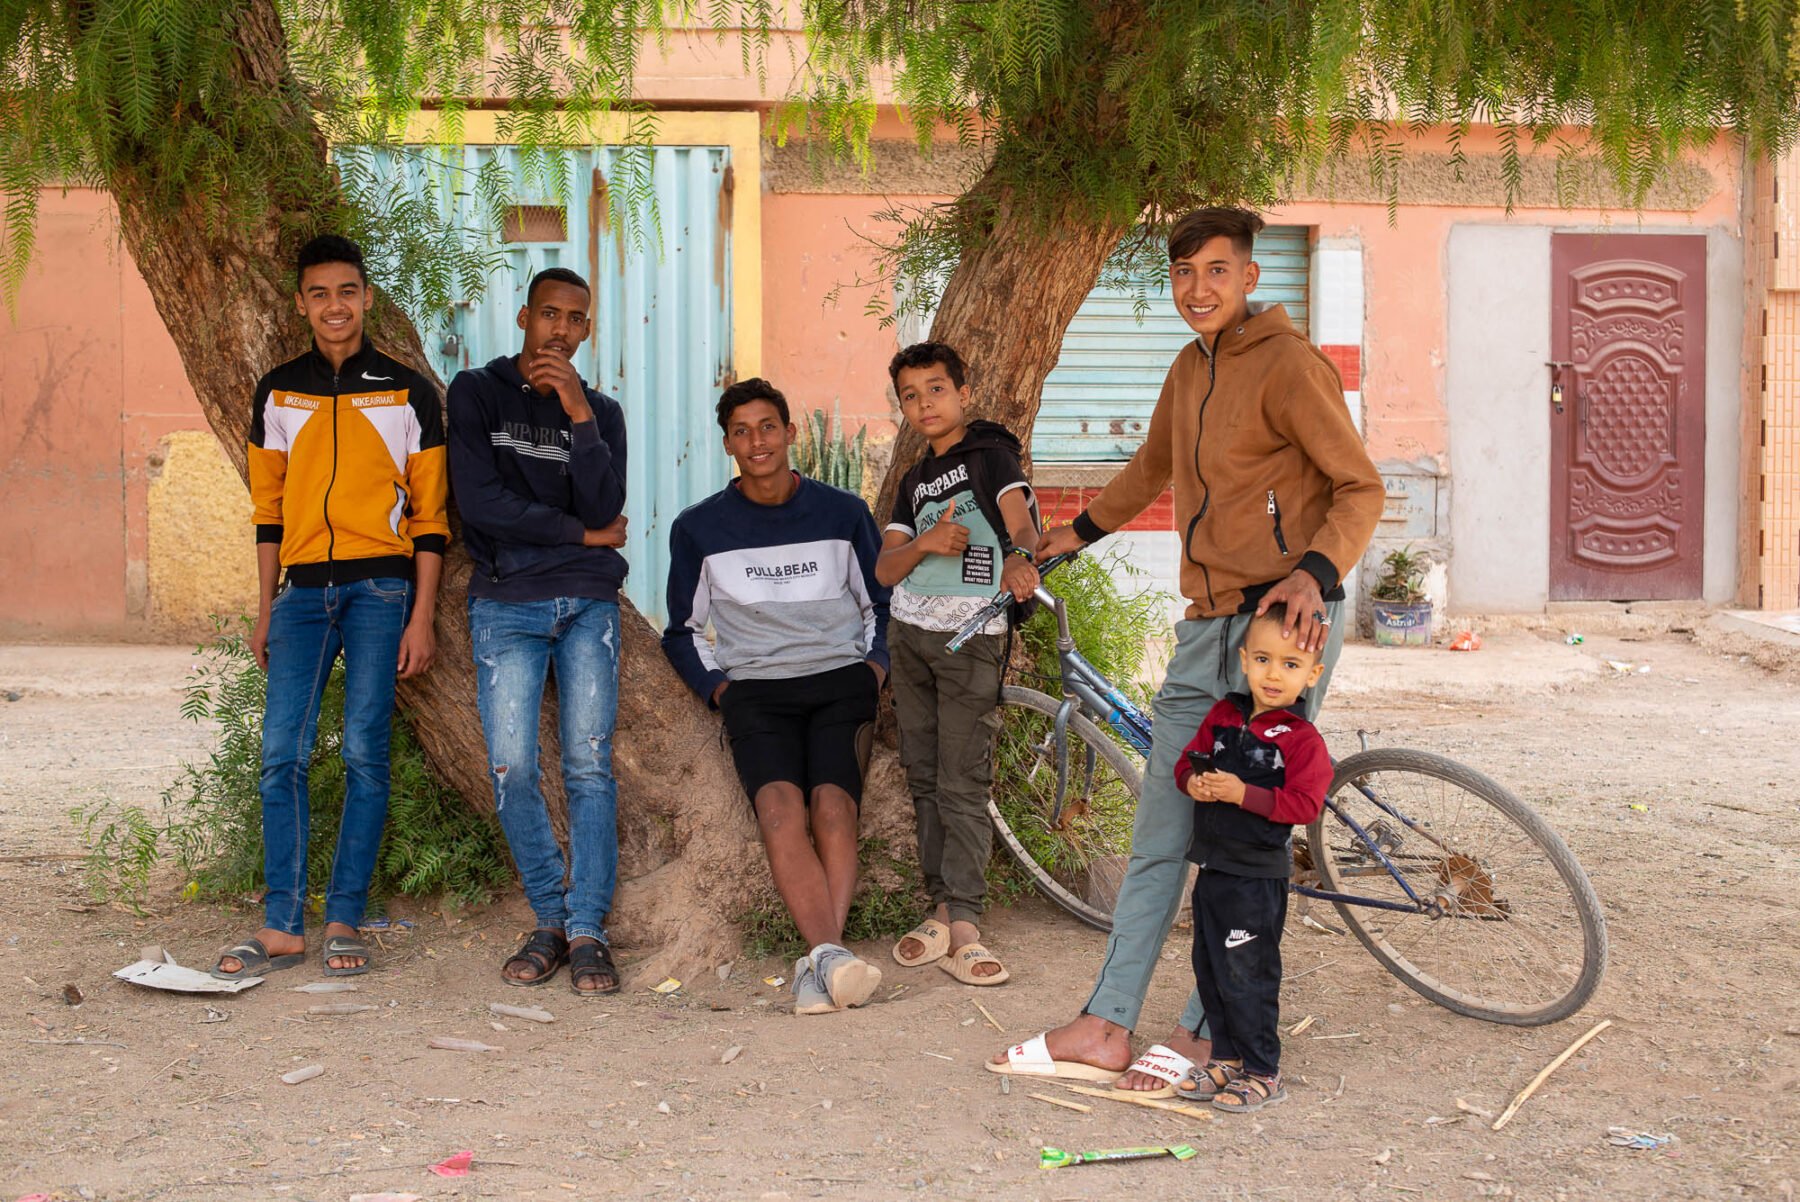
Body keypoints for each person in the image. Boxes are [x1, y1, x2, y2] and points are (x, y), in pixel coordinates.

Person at [988, 206, 1382, 1091]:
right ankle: (1105, 1023)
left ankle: (1209, 1028)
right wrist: (1071, 536)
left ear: (1249, 276)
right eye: (1182, 274)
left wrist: (1313, 573)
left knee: (1238, 836)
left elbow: (1360, 487)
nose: (1196, 289)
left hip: (1282, 626)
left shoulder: (1288, 364)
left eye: (1214, 271)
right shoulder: (1189, 366)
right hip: (1207, 623)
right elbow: (1150, 468)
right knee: (1163, 827)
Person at [213, 234, 448, 980]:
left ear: (367, 297)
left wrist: (422, 614)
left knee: (362, 755)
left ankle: (344, 915)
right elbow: (268, 512)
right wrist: (264, 607)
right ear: (301, 304)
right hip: (303, 593)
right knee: (281, 752)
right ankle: (283, 923)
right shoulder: (279, 391)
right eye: (319, 294)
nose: (334, 306)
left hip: (383, 591)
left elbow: (433, 518)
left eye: (347, 291)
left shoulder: (408, 393)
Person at [662, 378, 891, 1016]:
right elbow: (680, 631)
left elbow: (881, 603)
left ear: (790, 433)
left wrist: (875, 667)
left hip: (840, 681)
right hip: (756, 693)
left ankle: (820, 963)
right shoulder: (700, 527)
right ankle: (832, 960)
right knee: (781, 816)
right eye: (741, 430)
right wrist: (720, 690)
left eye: (768, 426)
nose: (756, 441)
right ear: (728, 443)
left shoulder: (843, 512)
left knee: (833, 812)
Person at [447, 266, 630, 995]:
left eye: (574, 319)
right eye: (548, 314)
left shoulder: (602, 412)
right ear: (523, 318)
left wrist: (578, 412)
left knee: (588, 766)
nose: (559, 329)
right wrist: (583, 538)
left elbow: (607, 499)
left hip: (587, 604)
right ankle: (547, 918)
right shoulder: (476, 393)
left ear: (586, 330)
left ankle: (586, 929)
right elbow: (480, 504)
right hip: (507, 602)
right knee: (512, 767)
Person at [875, 341, 1038, 987]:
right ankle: (939, 906)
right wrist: (924, 543)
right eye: (910, 395)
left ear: (962, 393)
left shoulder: (990, 456)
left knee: (962, 779)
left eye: (936, 389)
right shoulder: (912, 482)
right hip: (909, 635)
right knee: (924, 776)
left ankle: (965, 923)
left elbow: (1021, 525)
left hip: (972, 635)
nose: (924, 404)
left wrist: (1022, 560)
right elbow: (885, 568)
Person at [1173, 603, 1331, 1113]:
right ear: (1244, 659)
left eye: (1290, 664)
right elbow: (1185, 763)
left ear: (1313, 674)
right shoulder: (1223, 716)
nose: (1273, 674)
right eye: (1263, 659)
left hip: (1256, 879)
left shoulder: (1302, 741)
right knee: (1211, 967)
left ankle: (1263, 1070)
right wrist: (1194, 782)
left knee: (1249, 973)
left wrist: (1244, 795)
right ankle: (1226, 1058)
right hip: (1214, 869)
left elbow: (1305, 805)